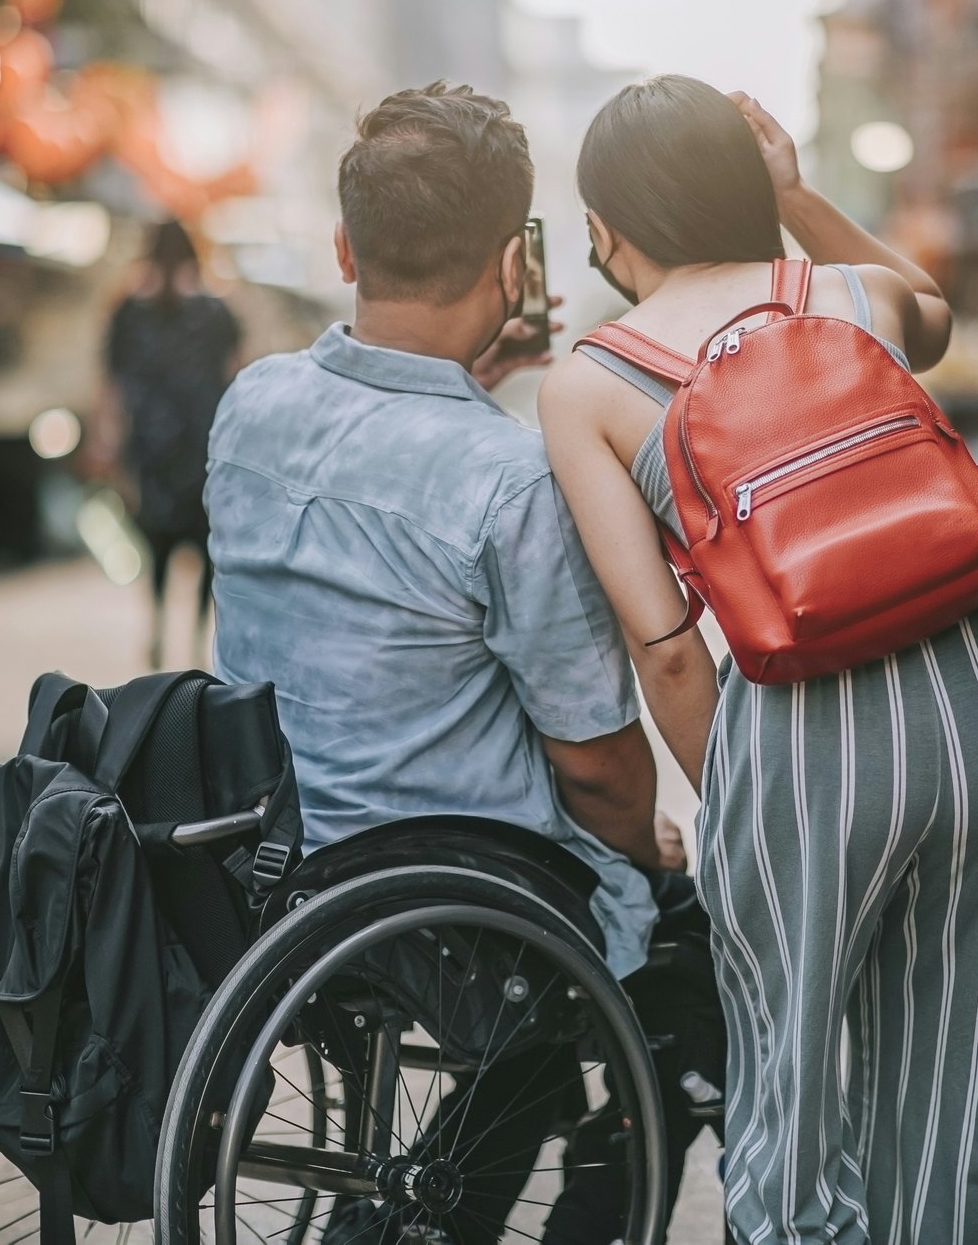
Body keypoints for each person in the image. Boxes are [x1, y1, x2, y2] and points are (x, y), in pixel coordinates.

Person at [540, 76, 978, 1245]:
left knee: (788, 1102)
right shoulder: (850, 297)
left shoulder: (591, 383)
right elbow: (934, 306)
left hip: (807, 737)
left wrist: (744, 809)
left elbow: (667, 648)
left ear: (610, 227)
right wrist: (798, 197)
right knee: (948, 1095)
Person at [204, 82, 724, 1244]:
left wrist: (467, 385)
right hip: (456, 896)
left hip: (273, 868)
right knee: (684, 968)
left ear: (345, 246)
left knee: (564, 986)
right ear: (513, 263)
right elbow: (595, 764)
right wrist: (650, 845)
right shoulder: (513, 482)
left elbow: (378, 459)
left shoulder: (249, 406)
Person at [101, 220, 240, 667]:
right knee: (205, 550)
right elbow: (236, 375)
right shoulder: (215, 313)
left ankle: (158, 630)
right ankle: (198, 640)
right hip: (204, 447)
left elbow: (112, 386)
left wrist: (110, 444)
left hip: (152, 449)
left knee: (157, 546)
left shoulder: (127, 313)